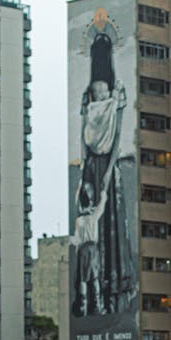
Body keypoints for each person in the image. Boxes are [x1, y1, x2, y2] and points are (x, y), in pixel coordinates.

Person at [79, 32, 133, 315]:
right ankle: (97, 299)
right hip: (93, 167)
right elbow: (83, 138)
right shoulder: (88, 95)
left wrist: (109, 172)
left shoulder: (116, 93)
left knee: (111, 226)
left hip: (106, 169)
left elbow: (117, 139)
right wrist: (84, 176)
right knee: (98, 231)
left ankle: (115, 292)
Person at [70, 183, 107, 316]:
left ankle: (83, 307)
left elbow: (77, 240)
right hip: (92, 249)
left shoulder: (79, 220)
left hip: (82, 251)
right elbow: (102, 204)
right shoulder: (93, 216)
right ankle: (97, 305)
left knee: (83, 279)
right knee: (94, 277)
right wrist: (103, 193)